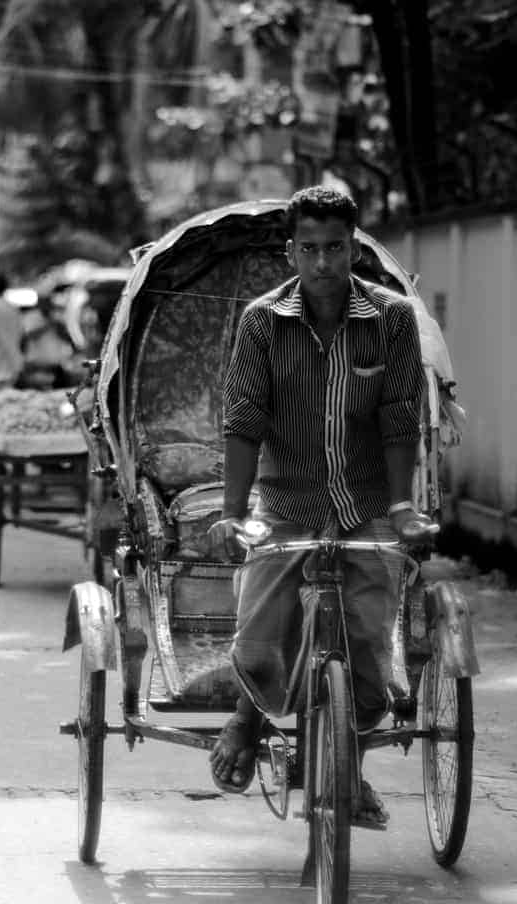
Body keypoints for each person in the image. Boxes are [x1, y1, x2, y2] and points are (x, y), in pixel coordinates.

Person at [204, 186, 437, 830]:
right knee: (258, 644)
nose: (323, 262)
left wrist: (401, 507)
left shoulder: (390, 318)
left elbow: (399, 419)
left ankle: (348, 766)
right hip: (286, 502)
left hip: (365, 503)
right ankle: (249, 716)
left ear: (354, 248)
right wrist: (231, 513)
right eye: (309, 249)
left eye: (335, 248)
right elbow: (244, 420)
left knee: (369, 645)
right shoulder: (261, 320)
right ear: (291, 252)